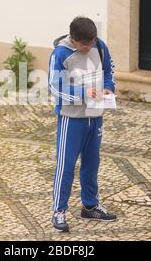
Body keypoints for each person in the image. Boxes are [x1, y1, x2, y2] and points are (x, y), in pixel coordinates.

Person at [49, 16, 117, 232]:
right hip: (72, 119)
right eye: (85, 44)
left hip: (95, 116)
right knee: (66, 165)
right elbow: (55, 88)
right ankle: (59, 211)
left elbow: (109, 70)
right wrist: (83, 93)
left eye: (92, 42)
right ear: (74, 40)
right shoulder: (61, 53)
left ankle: (90, 205)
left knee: (92, 163)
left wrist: (108, 88)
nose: (89, 47)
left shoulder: (99, 45)